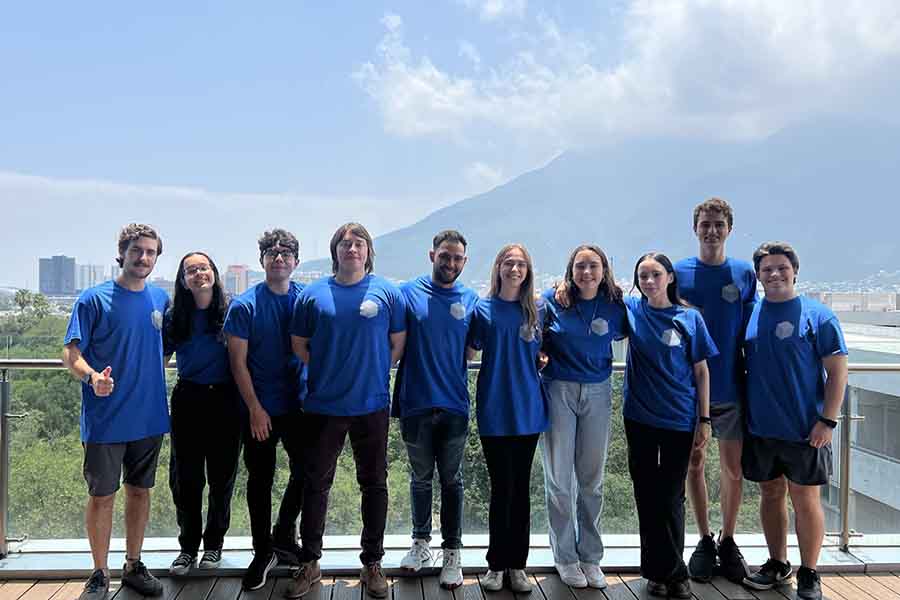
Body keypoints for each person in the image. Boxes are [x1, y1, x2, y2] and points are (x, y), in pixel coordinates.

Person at [288, 222, 406, 600]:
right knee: (315, 485)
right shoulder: (313, 294)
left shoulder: (388, 292)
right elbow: (300, 345)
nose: (351, 248)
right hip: (323, 406)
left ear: (369, 251)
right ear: (335, 250)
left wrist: (366, 373)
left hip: (371, 404)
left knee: (374, 484)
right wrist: (331, 373)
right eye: (344, 243)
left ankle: (372, 562)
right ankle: (310, 562)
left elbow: (396, 345)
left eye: (359, 243)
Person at [62, 223, 170, 600]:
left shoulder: (160, 299)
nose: (143, 258)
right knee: (102, 496)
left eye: (151, 252)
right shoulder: (93, 300)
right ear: (121, 253)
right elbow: (70, 354)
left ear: (157, 257)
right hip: (105, 417)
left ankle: (133, 564)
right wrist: (92, 377)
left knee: (140, 492)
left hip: (150, 416)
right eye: (137, 250)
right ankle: (98, 572)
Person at [741, 242, 848, 600]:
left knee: (805, 499)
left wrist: (828, 421)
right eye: (767, 269)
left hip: (805, 429)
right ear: (758, 275)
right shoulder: (751, 314)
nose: (774, 274)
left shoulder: (818, 315)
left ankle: (810, 572)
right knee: (770, 494)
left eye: (781, 267)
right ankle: (777, 563)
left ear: (795, 271)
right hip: (760, 427)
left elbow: (837, 372)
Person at [623, 252, 716, 599]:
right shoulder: (632, 310)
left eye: (655, 274)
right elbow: (599, 296)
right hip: (639, 418)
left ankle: (673, 572)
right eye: (643, 276)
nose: (649, 281)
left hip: (680, 419)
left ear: (670, 277)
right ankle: (659, 574)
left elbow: (702, 371)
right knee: (646, 495)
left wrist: (704, 420)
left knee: (672, 496)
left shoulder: (689, 318)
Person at [674, 198, 757, 583]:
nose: (712, 230)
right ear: (695, 228)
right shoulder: (678, 273)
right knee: (694, 463)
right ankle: (704, 538)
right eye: (705, 224)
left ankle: (729, 538)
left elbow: (755, 326)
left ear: (729, 229)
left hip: (731, 385)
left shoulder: (743, 273)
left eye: (718, 224)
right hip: (688, 391)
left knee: (732, 468)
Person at [393, 230, 479, 589]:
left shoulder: (472, 299)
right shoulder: (407, 293)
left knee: (452, 480)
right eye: (445, 256)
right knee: (420, 478)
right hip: (415, 401)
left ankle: (453, 551)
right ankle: (420, 542)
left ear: (465, 261)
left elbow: (473, 350)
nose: (451, 263)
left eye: (458, 258)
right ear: (432, 256)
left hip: (455, 404)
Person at [224, 229, 307, 590]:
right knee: (260, 481)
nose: (279, 257)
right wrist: (255, 408)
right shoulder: (245, 305)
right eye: (272, 253)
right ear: (262, 261)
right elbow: (237, 363)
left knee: (308, 471)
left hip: (299, 406)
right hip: (259, 407)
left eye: (286, 252)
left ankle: (283, 533)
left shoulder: (306, 299)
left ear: (296, 261)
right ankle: (262, 551)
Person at [540, 245, 627, 589]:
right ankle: (565, 556)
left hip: (598, 392)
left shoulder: (616, 305)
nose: (586, 272)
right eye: (580, 266)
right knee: (559, 480)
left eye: (593, 266)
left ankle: (591, 556)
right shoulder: (553, 300)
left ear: (604, 269)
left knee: (592, 480)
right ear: (570, 271)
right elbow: (531, 330)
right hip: (558, 390)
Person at [466, 243, 549, 594]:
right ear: (498, 267)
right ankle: (496, 564)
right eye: (509, 263)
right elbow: (470, 350)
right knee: (501, 488)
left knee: (521, 490)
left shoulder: (537, 310)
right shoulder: (482, 310)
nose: (515, 269)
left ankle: (518, 565)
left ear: (528, 271)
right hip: (495, 408)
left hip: (529, 408)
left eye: (521, 264)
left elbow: (550, 350)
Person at [164, 252, 242, 575]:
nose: (199, 274)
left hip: (225, 398)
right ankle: (187, 548)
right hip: (189, 397)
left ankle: (214, 545)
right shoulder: (175, 315)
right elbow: (160, 355)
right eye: (191, 270)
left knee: (222, 477)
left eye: (204, 268)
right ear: (183, 280)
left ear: (214, 273)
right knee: (186, 478)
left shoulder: (231, 310)